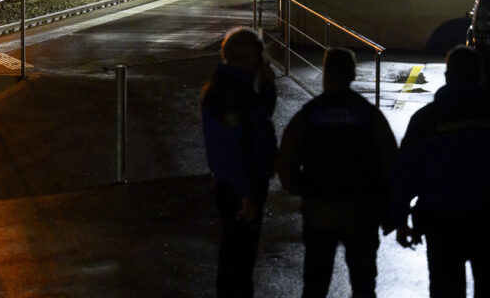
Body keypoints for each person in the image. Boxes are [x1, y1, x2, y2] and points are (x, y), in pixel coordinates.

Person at [276, 47, 397, 298]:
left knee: (316, 284)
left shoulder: (310, 114)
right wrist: (389, 210)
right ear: (353, 75)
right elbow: (391, 163)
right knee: (363, 285)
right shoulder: (369, 115)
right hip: (362, 211)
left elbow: (286, 159)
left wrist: (300, 188)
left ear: (325, 74)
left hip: (320, 210)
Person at [390, 45, 490, 298]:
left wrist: (400, 221)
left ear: (447, 77)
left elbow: (406, 173)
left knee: (446, 289)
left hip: (441, 223)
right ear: (480, 76)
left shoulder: (426, 119)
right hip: (486, 222)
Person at [200, 27, 277, 298]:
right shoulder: (231, 94)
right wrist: (245, 193)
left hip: (240, 184)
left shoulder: (236, 87)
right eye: (259, 56)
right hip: (240, 188)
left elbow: (259, 116)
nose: (262, 62)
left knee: (239, 256)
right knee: (238, 262)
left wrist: (267, 86)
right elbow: (233, 148)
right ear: (246, 57)